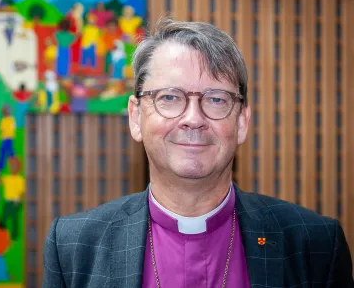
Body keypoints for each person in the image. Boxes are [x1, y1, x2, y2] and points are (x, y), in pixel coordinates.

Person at [42, 18, 354, 287]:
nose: (193, 118)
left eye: (216, 99)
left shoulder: (315, 245)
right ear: (136, 117)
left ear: (242, 122)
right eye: (169, 97)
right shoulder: (73, 247)